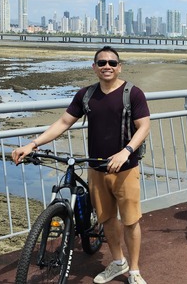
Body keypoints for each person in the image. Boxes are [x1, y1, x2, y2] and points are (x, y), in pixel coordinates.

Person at [11, 46, 150, 284]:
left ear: (120, 67)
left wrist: (125, 152)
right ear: (94, 67)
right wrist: (32, 145)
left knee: (130, 221)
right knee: (106, 219)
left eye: (112, 63)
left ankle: (134, 270)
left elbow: (144, 126)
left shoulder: (132, 93)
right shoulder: (86, 95)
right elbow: (64, 122)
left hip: (125, 168)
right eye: (102, 62)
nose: (107, 66)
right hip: (96, 167)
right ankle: (118, 263)